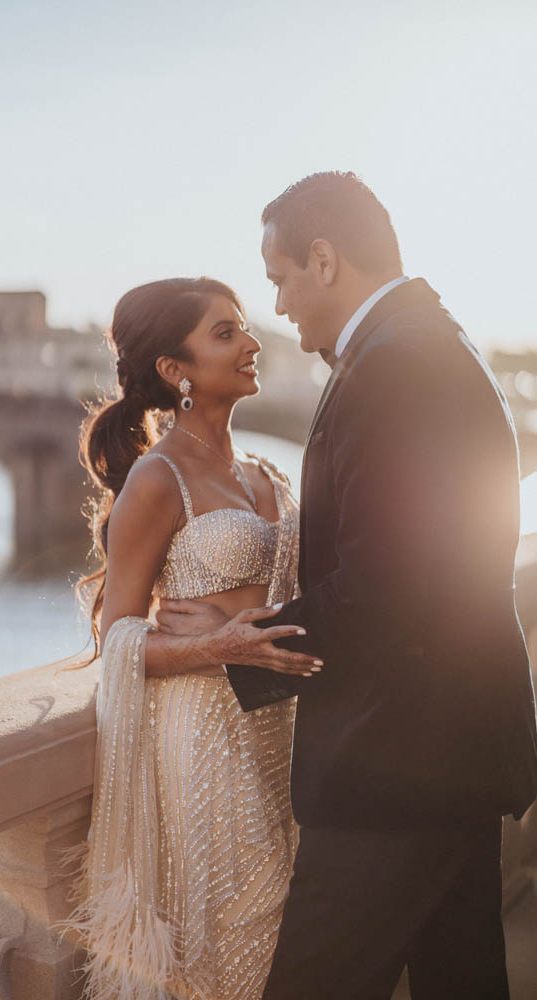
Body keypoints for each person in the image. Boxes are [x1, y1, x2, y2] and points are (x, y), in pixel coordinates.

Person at [157, 172, 537, 998]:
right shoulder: (424, 340)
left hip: (394, 766)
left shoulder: (396, 365)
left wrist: (236, 642)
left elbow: (386, 583)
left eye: (279, 278)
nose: (279, 307)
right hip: (446, 751)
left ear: (322, 259)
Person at [63, 277, 319, 1000]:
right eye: (224, 332)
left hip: (279, 732)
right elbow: (117, 635)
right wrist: (214, 647)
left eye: (242, 328)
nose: (249, 342)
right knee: (234, 946)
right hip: (203, 740)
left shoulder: (266, 474)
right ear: (175, 371)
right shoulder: (157, 477)